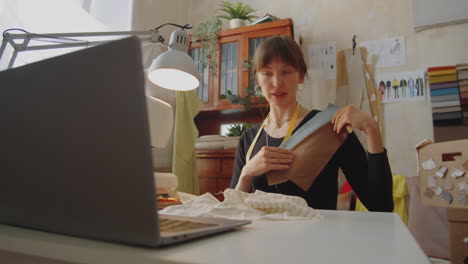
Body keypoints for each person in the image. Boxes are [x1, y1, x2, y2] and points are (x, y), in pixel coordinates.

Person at [230, 36, 394, 212]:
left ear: (300, 76)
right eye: (267, 73)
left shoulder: (329, 128)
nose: (277, 83)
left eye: (286, 72)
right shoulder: (248, 140)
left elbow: (381, 206)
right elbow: (232, 211)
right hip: (263, 238)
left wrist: (372, 129)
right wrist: (246, 174)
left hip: (318, 238)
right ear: (257, 79)